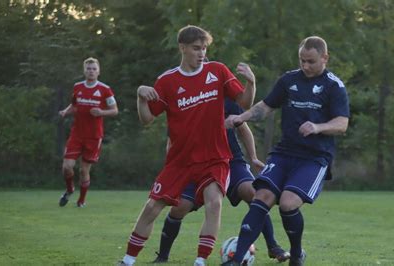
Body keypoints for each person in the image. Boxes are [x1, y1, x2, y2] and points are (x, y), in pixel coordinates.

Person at [118, 25, 256, 266]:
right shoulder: (168, 81)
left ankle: (200, 261)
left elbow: (244, 102)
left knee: (214, 202)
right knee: (152, 207)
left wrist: (251, 83)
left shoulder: (218, 71)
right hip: (180, 160)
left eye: (204, 48)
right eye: (196, 48)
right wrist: (140, 97)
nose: (201, 53)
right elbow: (147, 119)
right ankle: (128, 260)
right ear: (182, 47)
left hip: (215, 157)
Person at [222, 36, 350, 266]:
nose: (305, 66)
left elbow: (342, 123)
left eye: (311, 61)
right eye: (302, 60)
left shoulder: (334, 86)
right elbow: (265, 107)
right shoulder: (289, 80)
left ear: (325, 58)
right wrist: (241, 116)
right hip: (284, 153)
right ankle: (236, 259)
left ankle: (296, 254)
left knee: (288, 203)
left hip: (314, 157)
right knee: (261, 196)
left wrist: (318, 127)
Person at [152, 98, 290, 264]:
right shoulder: (183, 103)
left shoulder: (225, 101)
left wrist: (253, 157)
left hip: (231, 161)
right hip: (196, 164)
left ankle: (273, 246)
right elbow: (172, 141)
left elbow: (243, 129)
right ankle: (162, 256)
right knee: (179, 208)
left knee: (254, 195)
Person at [58, 57, 118, 208]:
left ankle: (81, 200)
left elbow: (114, 110)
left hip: (93, 136)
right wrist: (65, 111)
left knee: (84, 170)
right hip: (77, 134)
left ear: (99, 72)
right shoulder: (77, 87)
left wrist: (101, 112)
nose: (91, 71)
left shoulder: (105, 89)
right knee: (67, 166)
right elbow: (74, 105)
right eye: (88, 69)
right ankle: (70, 189)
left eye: (94, 69)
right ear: (84, 71)